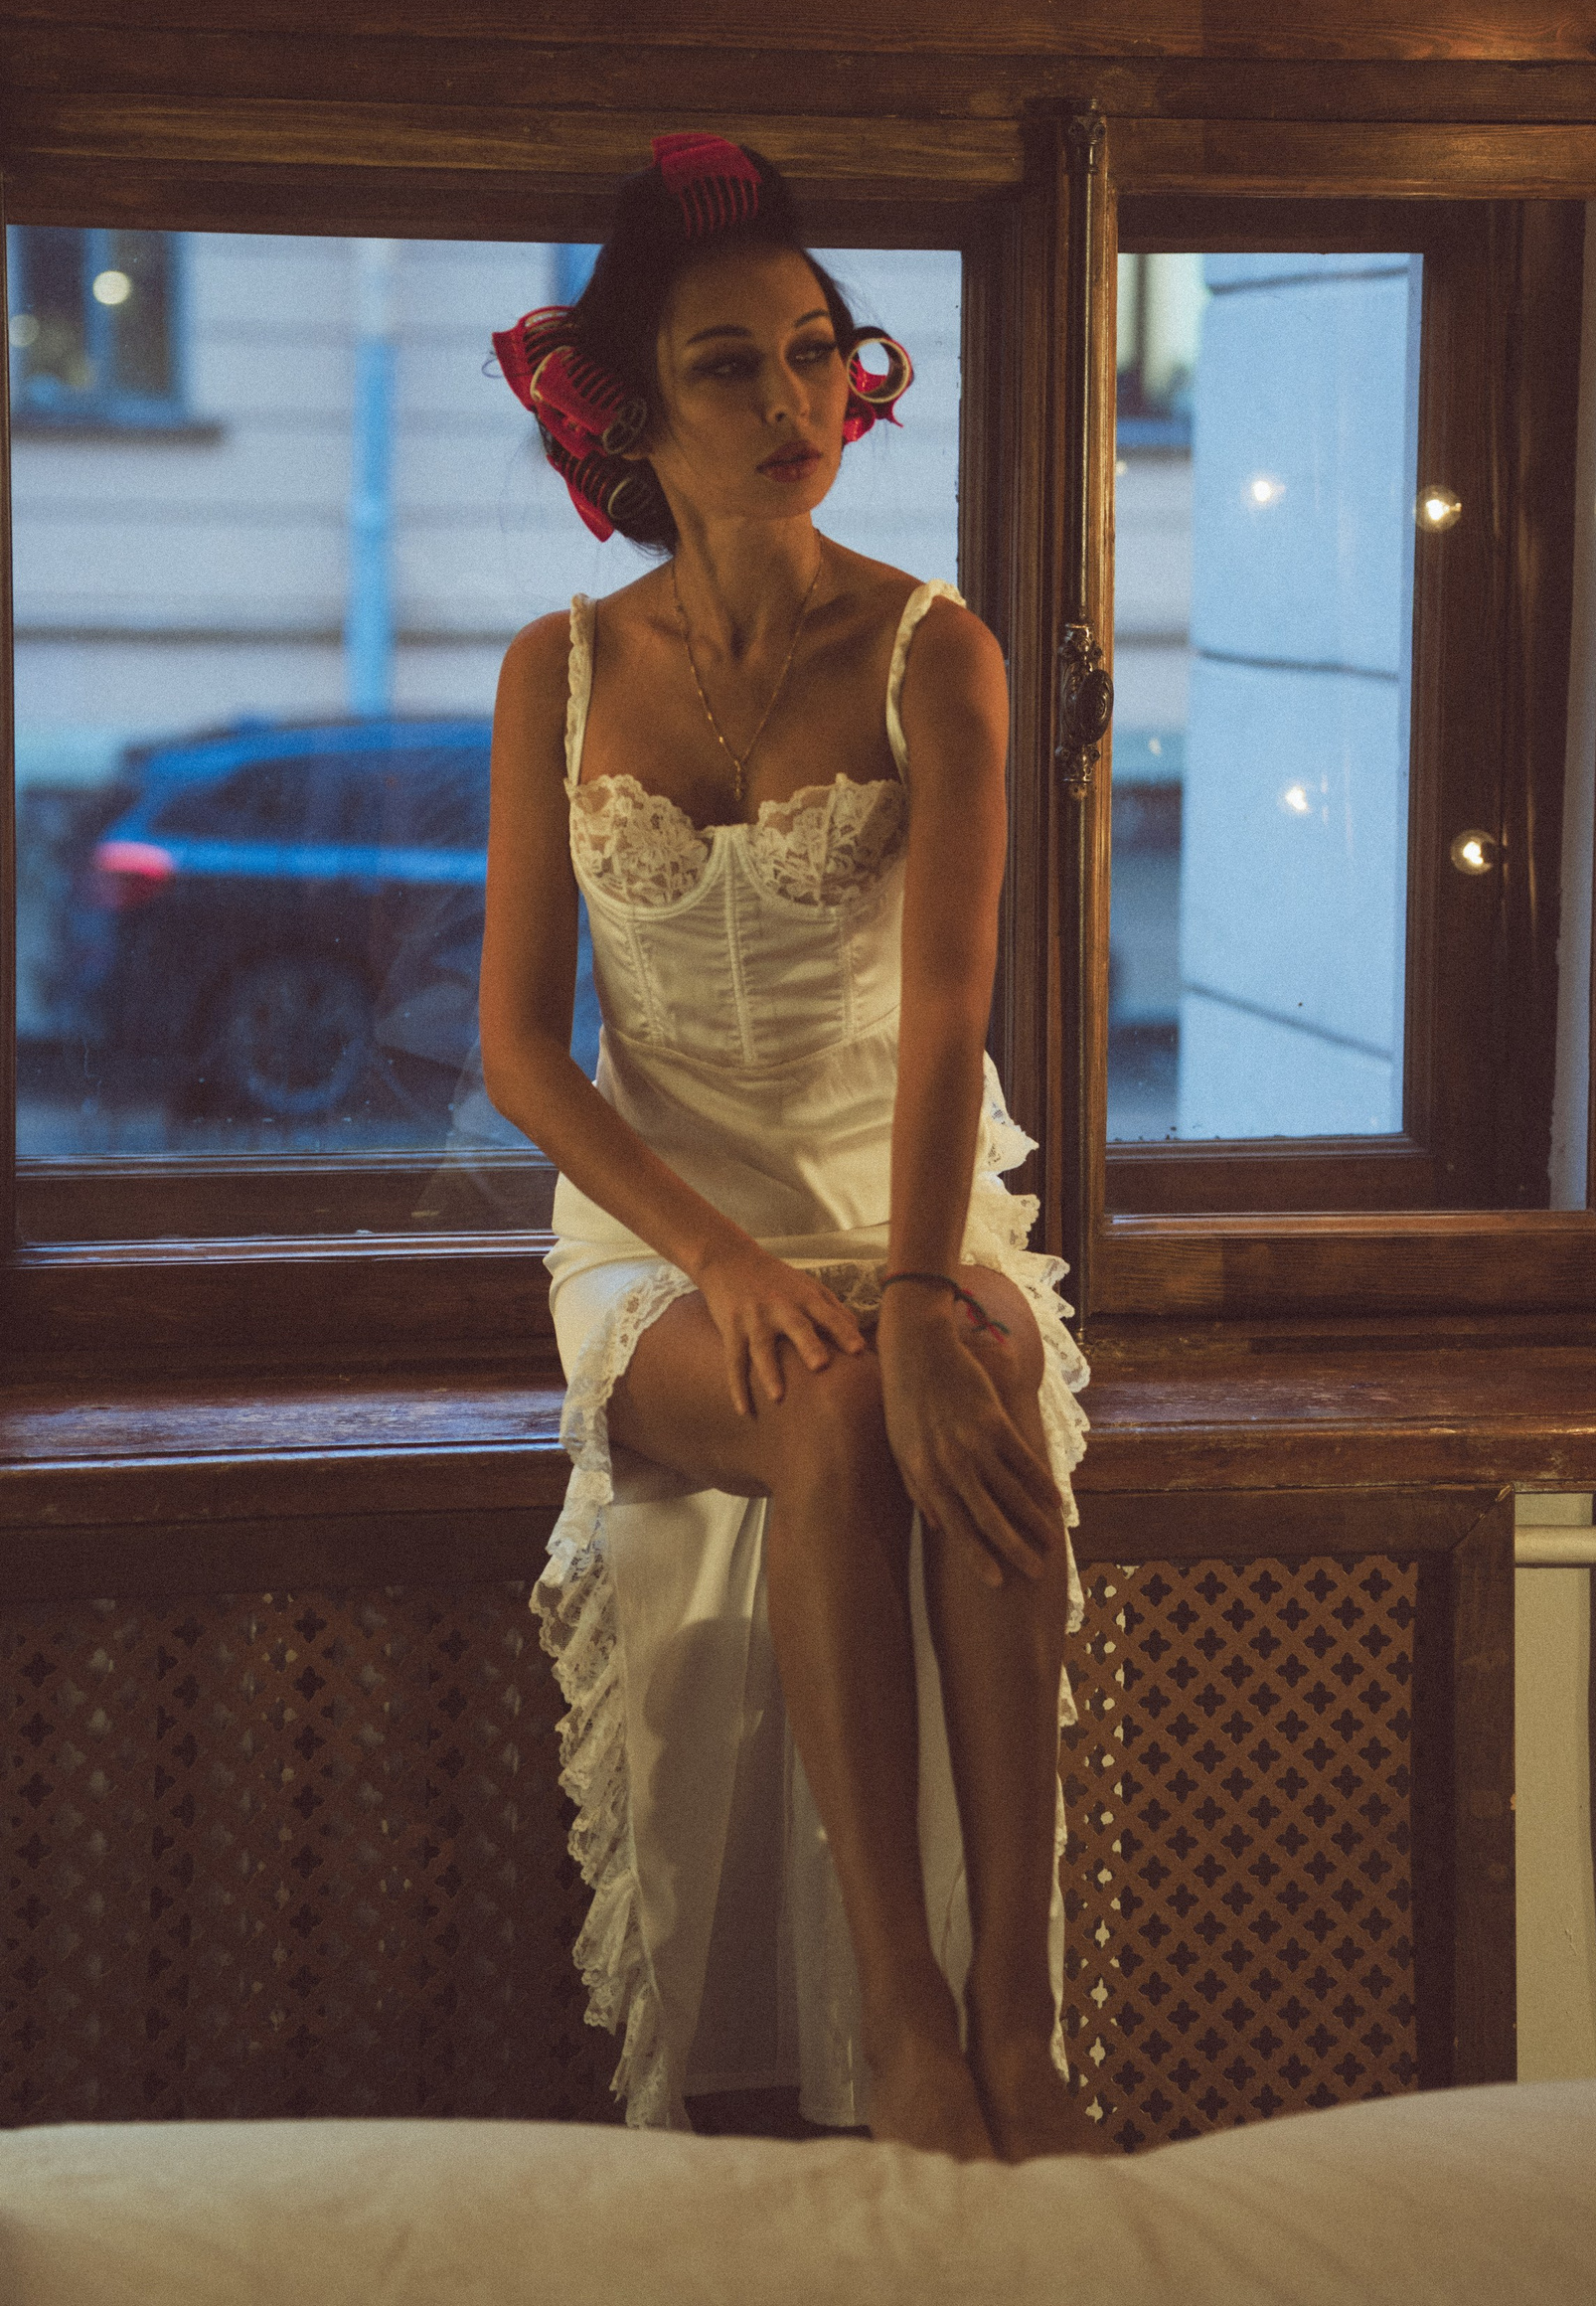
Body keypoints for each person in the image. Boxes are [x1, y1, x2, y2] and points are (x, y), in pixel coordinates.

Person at [479, 134, 1096, 2162]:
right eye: (730, 364)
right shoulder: (559, 670)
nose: (793, 400)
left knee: (975, 1388)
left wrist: (920, 1290)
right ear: (633, 413)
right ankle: (906, 2027)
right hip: (663, 1235)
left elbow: (947, 1020)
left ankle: (1024, 2028)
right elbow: (520, 1052)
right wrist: (725, 1265)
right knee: (827, 1420)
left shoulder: (937, 652)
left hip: (894, 1184)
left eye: (818, 350)